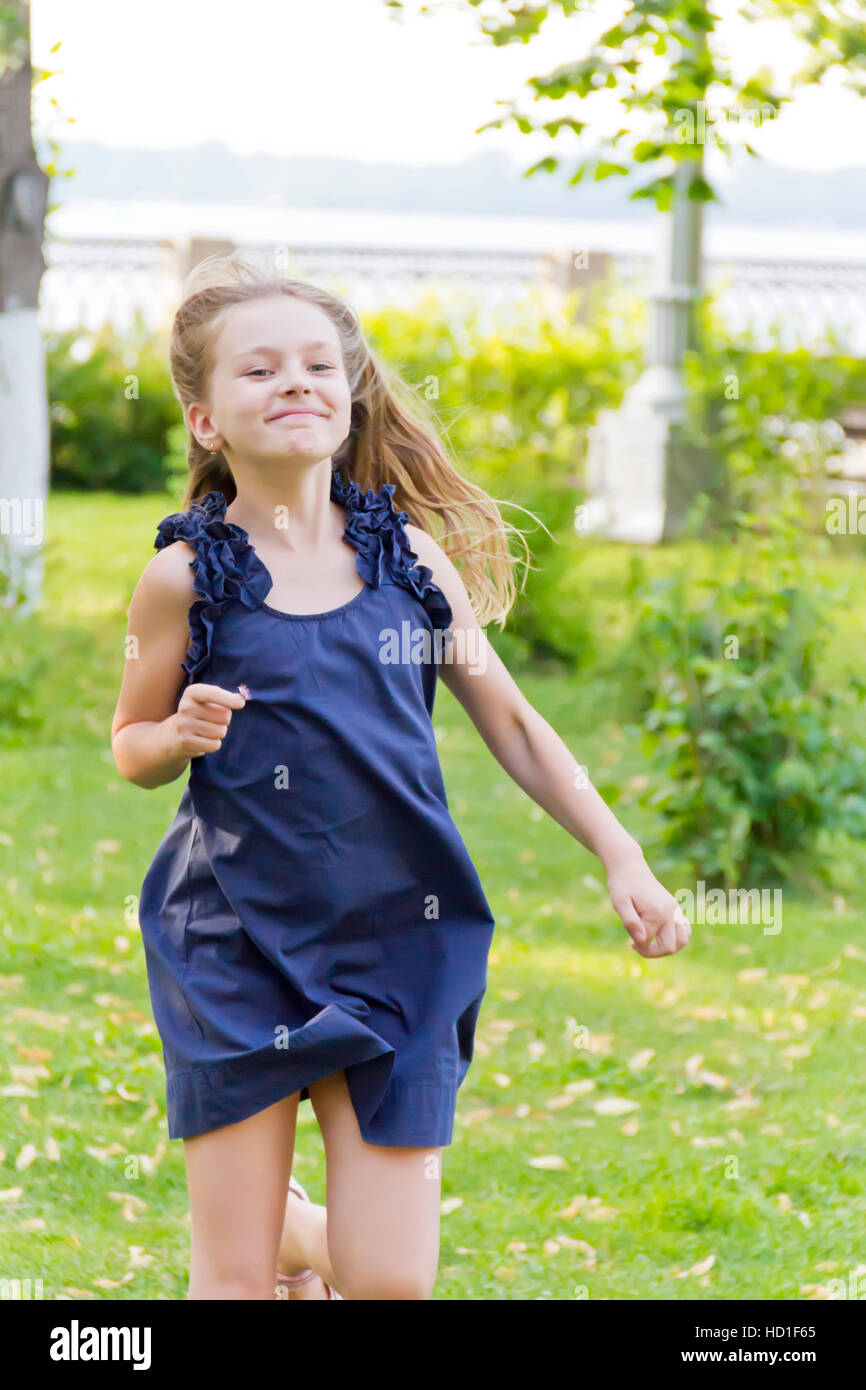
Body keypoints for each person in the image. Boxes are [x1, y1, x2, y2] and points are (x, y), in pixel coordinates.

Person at [111, 250, 691, 1302]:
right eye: (259, 370)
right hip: (232, 937)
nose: (295, 381)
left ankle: (295, 1227)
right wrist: (179, 734)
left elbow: (511, 724)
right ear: (205, 422)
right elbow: (129, 745)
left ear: (347, 395)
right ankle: (257, 1234)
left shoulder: (407, 563)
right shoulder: (184, 580)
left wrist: (622, 855)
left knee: (388, 1286)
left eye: (317, 365)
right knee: (231, 1283)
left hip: (399, 938)